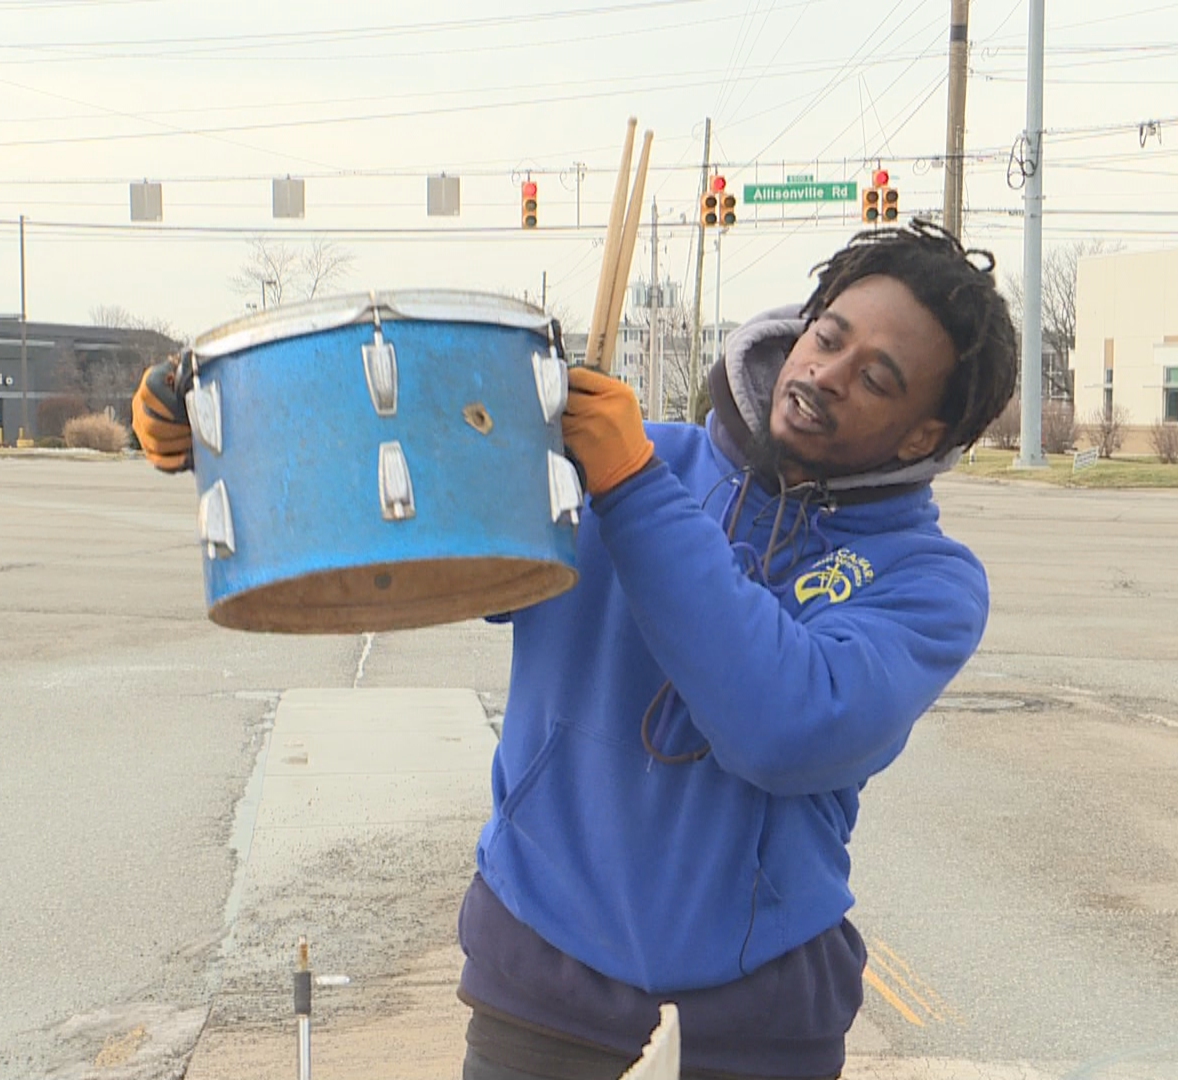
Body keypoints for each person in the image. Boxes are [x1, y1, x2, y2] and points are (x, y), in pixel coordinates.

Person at [133, 220, 1020, 1080]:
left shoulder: (927, 581)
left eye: (877, 378)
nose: (827, 373)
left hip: (760, 1024)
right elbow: (412, 510)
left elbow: (785, 726)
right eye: (827, 337)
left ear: (923, 437)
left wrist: (633, 492)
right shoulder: (627, 458)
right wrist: (234, 434)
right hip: (544, 986)